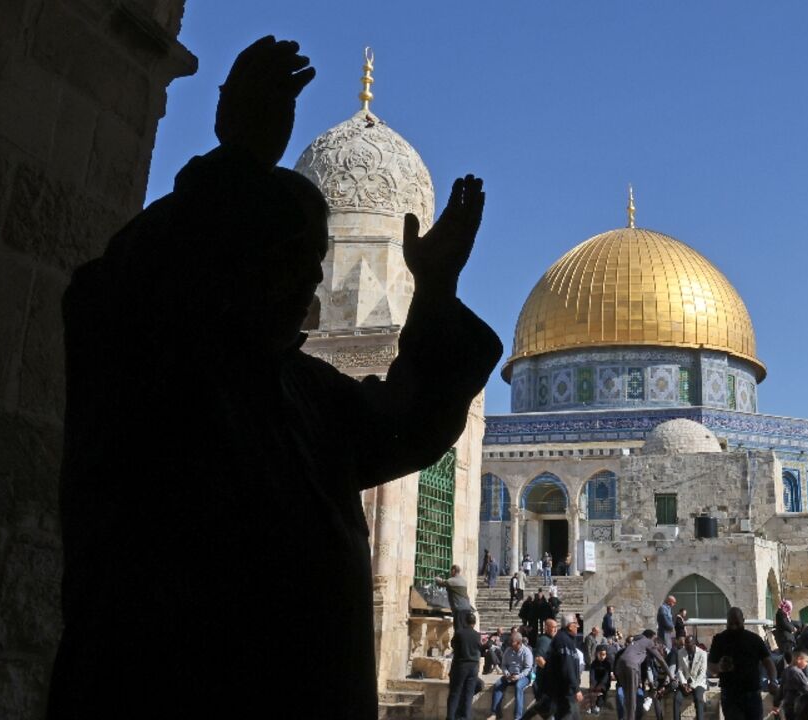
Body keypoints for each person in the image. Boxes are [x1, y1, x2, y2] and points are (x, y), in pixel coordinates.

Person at [47, 36, 502, 719]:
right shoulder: (155, 367)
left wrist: (433, 293)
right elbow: (120, 291)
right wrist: (238, 157)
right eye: (294, 259)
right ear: (235, 255)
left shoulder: (301, 392)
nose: (315, 283)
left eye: (318, 259)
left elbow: (407, 427)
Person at [709, 607, 778, 720]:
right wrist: (719, 667)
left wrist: (773, 680)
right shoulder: (719, 640)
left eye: (737, 623)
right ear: (727, 621)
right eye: (731, 623)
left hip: (752, 693)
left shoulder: (754, 639)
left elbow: (768, 662)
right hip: (731, 695)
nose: (734, 627)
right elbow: (711, 667)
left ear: (743, 621)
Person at [522, 613, 584, 719]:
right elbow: (567, 667)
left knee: (544, 709)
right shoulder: (563, 641)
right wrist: (576, 688)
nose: (578, 626)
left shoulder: (564, 640)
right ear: (569, 626)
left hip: (558, 691)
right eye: (575, 624)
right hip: (563, 691)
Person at [614, 630, 668, 720]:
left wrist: (643, 682)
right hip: (622, 684)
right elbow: (616, 670)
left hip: (637, 685)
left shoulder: (644, 654)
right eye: (630, 642)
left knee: (639, 698)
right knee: (620, 696)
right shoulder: (621, 654)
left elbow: (646, 670)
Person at [488, 631, 535, 720]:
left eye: (512, 641)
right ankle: (494, 713)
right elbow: (504, 665)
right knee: (498, 684)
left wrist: (518, 676)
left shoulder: (526, 652)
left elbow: (528, 669)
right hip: (509, 675)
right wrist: (506, 674)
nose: (510, 643)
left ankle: (518, 717)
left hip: (523, 676)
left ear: (519, 642)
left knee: (518, 686)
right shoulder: (508, 650)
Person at [447, 611, 482, 720]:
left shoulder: (459, 633)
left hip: (461, 665)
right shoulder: (477, 635)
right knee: (468, 693)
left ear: (465, 621)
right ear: (474, 622)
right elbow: (479, 648)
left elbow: (453, 645)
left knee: (455, 693)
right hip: (473, 667)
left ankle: (451, 717)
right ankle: (465, 717)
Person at [671, 634, 708, 720]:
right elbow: (679, 670)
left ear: (694, 644)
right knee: (677, 699)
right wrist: (684, 684)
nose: (686, 647)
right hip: (686, 681)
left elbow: (702, 673)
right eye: (685, 644)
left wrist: (692, 686)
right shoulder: (681, 652)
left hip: (698, 682)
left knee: (698, 699)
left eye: (689, 645)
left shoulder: (703, 654)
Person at [776, 650, 808, 720]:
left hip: (788, 705)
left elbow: (781, 689)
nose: (807, 664)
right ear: (799, 659)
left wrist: (776, 703)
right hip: (796, 706)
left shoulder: (786, 670)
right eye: (806, 661)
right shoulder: (796, 672)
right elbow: (805, 689)